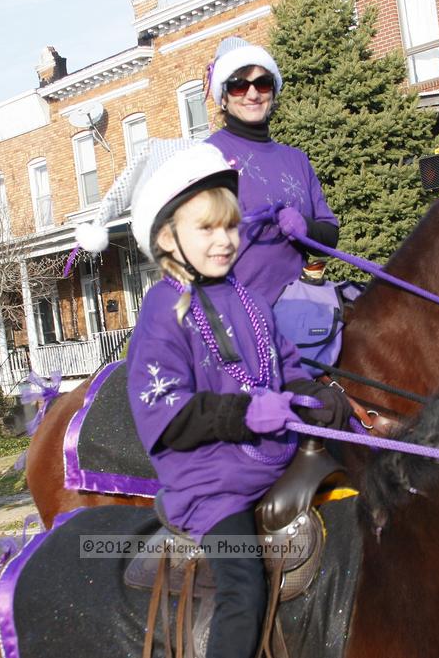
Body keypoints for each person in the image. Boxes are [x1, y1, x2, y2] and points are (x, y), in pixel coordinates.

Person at [123, 141, 351, 658]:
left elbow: (284, 364)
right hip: (210, 484)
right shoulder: (164, 309)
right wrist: (246, 413)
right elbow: (169, 413)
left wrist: (313, 395)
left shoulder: (248, 298)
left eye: (231, 227)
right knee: (243, 589)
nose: (224, 241)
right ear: (167, 237)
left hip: (272, 459)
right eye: (207, 229)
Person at [204, 36, 340, 306]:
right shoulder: (208, 157)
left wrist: (305, 227)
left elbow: (330, 235)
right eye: (239, 86)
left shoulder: (296, 160)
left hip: (300, 309)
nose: (253, 94)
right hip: (237, 316)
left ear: (273, 92)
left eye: (262, 83)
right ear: (223, 98)